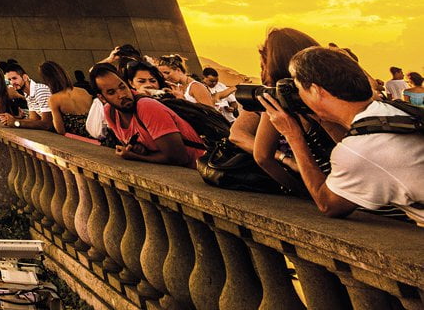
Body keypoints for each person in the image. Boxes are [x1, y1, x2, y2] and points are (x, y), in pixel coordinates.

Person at [261, 46, 424, 225]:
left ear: (315, 91)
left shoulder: (360, 149)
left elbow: (329, 204)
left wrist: (293, 136)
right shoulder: (391, 111)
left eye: (299, 88)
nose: (298, 95)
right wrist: (323, 117)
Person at [228, 26, 341, 196]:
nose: (262, 74)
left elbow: (262, 156)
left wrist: (302, 191)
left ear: (274, 67)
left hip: (331, 192)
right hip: (356, 192)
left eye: (263, 66)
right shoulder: (331, 91)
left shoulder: (279, 99)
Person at [90, 62, 206, 167]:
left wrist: (136, 157)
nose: (122, 95)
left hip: (197, 172)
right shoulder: (110, 112)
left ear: (127, 84)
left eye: (122, 87)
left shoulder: (146, 106)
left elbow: (179, 157)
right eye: (111, 92)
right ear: (102, 97)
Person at [41, 60, 96, 140]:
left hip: (79, 140)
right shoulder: (83, 91)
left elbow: (60, 130)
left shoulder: (54, 99)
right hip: (95, 133)